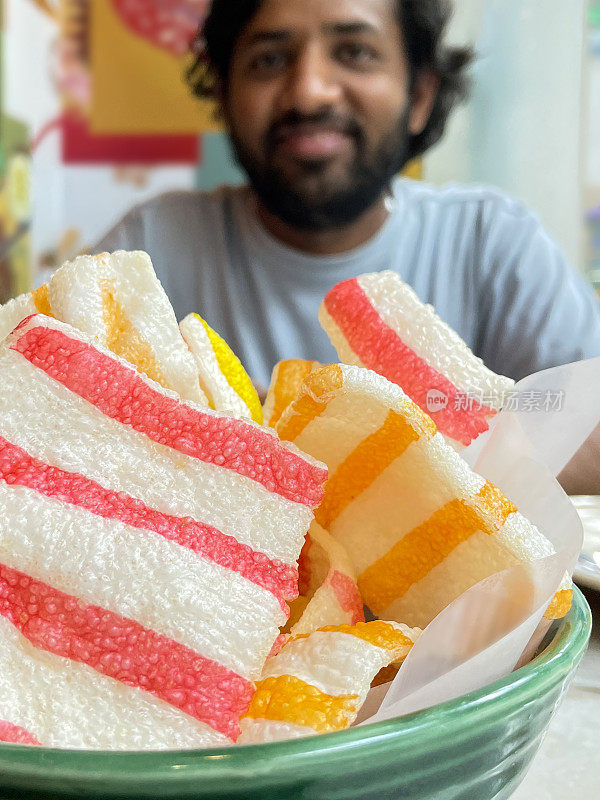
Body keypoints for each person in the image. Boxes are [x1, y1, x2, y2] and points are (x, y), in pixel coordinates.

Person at [95, 0, 600, 490]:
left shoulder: (491, 241)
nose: (309, 92)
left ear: (420, 97)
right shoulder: (147, 249)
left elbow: (590, 434)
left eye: (355, 51)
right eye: (269, 59)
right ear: (225, 94)